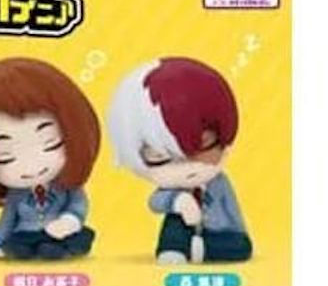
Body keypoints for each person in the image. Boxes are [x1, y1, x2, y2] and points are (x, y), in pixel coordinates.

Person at [105, 57, 252, 263]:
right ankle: (176, 248)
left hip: (219, 233)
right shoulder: (173, 190)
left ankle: (199, 250)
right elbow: (155, 202)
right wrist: (178, 201)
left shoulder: (220, 183)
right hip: (182, 229)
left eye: (201, 148)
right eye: (160, 157)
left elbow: (232, 212)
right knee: (175, 222)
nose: (186, 167)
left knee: (240, 246)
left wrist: (237, 230)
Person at [0, 57, 99, 259]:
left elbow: (78, 205)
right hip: (26, 235)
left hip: (60, 232)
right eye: (5, 157)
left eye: (51, 143)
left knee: (55, 248)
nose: (31, 165)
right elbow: (7, 220)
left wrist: (70, 220)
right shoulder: (16, 196)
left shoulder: (66, 187)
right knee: (18, 249)